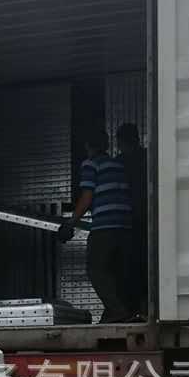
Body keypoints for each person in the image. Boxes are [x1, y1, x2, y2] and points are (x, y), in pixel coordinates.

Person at [58, 127, 132, 323]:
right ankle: (117, 312)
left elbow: (87, 197)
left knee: (96, 269)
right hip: (125, 226)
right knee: (115, 271)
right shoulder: (117, 164)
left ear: (87, 146)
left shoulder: (90, 164)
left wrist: (70, 223)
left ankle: (117, 310)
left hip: (105, 227)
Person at [116, 122, 148, 317]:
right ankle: (145, 307)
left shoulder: (119, 162)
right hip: (148, 219)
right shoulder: (148, 157)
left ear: (120, 141)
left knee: (127, 267)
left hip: (126, 221)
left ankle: (129, 309)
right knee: (146, 265)